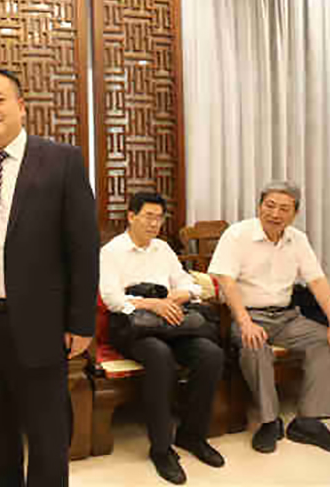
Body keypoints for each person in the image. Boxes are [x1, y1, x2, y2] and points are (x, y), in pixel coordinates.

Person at [0, 68, 99, 486]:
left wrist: (81, 322)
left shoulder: (61, 161)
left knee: (48, 434)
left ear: (21, 106)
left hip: (40, 323)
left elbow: (83, 248)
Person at [209, 180, 330, 456]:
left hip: (287, 316)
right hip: (248, 315)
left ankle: (308, 422)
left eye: (284, 209)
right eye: (270, 206)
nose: (275, 214)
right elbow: (226, 282)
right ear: (259, 206)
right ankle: (269, 421)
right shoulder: (237, 234)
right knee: (255, 347)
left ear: (295, 213)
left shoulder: (297, 239)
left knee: (327, 341)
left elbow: (317, 281)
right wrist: (245, 323)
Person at [100, 192, 225, 485]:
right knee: (159, 357)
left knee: (211, 355)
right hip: (132, 326)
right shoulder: (111, 252)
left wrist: (178, 296)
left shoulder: (163, 248)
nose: (154, 224)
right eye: (148, 216)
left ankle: (192, 435)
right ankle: (161, 448)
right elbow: (112, 299)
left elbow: (189, 285)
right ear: (131, 216)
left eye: (159, 218)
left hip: (170, 323)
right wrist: (152, 304)